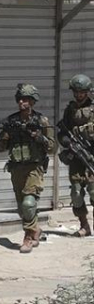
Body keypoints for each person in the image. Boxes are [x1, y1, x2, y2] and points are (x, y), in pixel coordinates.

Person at [0, 84, 56, 253]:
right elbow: (1, 148)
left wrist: (39, 137)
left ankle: (28, 237)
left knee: (29, 203)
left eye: (25, 99)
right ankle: (35, 230)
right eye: (20, 99)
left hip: (34, 167)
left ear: (32, 101)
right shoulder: (11, 121)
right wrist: (5, 136)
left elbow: (52, 147)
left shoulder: (41, 121)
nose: (21, 102)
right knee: (22, 207)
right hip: (16, 168)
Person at [58, 74, 94, 237]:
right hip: (76, 158)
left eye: (83, 92)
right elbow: (62, 132)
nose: (79, 95)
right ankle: (84, 225)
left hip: (91, 155)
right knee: (77, 193)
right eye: (77, 92)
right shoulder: (70, 110)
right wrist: (67, 142)